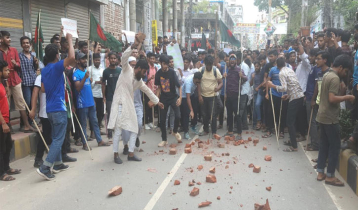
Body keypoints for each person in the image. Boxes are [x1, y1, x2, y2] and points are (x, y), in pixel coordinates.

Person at [108, 33, 161, 163]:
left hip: (129, 105)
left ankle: (131, 154)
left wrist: (157, 102)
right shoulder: (126, 69)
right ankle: (115, 154)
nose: (144, 75)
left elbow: (148, 91)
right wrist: (134, 45)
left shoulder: (139, 81)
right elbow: (125, 57)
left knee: (134, 128)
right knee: (119, 130)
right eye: (143, 72)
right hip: (120, 103)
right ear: (137, 68)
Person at [36, 33, 76, 180]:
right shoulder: (57, 67)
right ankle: (45, 167)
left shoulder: (44, 70)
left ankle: (58, 163)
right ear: (57, 55)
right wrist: (70, 40)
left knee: (55, 136)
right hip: (59, 108)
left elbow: (43, 89)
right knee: (59, 138)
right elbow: (71, 58)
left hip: (49, 108)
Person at [316, 55, 355, 186]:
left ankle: (320, 172)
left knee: (324, 144)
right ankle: (330, 176)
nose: (345, 74)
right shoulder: (334, 78)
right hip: (330, 118)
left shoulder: (327, 75)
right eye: (345, 71)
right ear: (341, 67)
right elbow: (332, 99)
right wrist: (347, 96)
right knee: (335, 146)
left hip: (322, 115)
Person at [73, 52, 110, 151]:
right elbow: (77, 88)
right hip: (82, 103)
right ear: (77, 61)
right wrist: (85, 77)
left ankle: (99, 140)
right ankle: (85, 143)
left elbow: (89, 87)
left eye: (85, 59)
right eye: (82, 59)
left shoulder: (86, 71)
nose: (85, 60)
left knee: (95, 122)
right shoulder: (76, 73)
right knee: (84, 124)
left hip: (90, 101)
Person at [267, 57, 305, 152]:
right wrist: (288, 96)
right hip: (299, 96)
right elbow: (293, 85)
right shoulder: (290, 69)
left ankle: (294, 146)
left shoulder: (281, 73)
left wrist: (273, 86)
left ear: (276, 65)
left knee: (289, 122)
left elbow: (283, 88)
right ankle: (293, 141)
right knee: (292, 120)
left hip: (295, 98)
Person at [0, 31, 34, 133]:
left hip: (15, 80)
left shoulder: (14, 50)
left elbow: (19, 64)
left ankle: (26, 125)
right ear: (1, 40)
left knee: (21, 102)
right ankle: (8, 126)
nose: (10, 39)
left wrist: (16, 64)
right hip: (4, 81)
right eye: (7, 37)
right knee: (6, 104)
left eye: (10, 37)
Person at [0, 60, 21, 181]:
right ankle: (2, 173)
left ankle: (6, 167)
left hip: (5, 119)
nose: (8, 72)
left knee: (8, 145)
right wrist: (3, 123)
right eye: (6, 70)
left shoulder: (2, 83)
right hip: (1, 122)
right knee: (1, 147)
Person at [156, 55, 182, 147]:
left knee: (178, 116)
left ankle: (175, 131)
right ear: (160, 63)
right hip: (163, 99)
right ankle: (164, 140)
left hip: (173, 97)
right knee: (162, 120)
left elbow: (179, 86)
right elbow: (159, 88)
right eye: (163, 64)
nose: (165, 66)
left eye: (166, 64)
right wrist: (157, 100)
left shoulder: (172, 73)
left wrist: (180, 98)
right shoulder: (158, 73)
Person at [198, 55, 223, 137]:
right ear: (205, 63)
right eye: (207, 65)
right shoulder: (201, 70)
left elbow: (221, 82)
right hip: (203, 96)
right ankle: (206, 130)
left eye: (210, 65)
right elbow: (198, 83)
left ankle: (214, 131)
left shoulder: (216, 71)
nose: (208, 67)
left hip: (213, 96)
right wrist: (199, 96)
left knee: (213, 114)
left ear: (212, 64)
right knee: (204, 114)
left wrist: (218, 88)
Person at [224, 54, 246, 138]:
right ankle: (230, 131)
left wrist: (242, 76)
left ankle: (239, 133)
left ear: (236, 61)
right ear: (229, 61)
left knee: (237, 115)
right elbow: (226, 83)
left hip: (236, 95)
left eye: (233, 59)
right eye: (231, 59)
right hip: (228, 95)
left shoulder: (239, 70)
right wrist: (224, 76)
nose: (232, 61)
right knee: (229, 114)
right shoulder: (227, 70)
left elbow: (246, 79)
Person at [102, 52, 122, 139]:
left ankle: (119, 132)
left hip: (119, 96)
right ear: (108, 59)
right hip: (110, 96)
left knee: (119, 115)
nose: (113, 60)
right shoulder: (106, 71)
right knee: (110, 114)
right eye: (111, 58)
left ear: (117, 59)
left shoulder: (120, 70)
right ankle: (110, 133)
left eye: (114, 58)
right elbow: (103, 84)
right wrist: (103, 96)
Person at [304, 48, 321, 151]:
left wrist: (313, 99)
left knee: (312, 121)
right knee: (310, 120)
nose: (309, 58)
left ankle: (315, 144)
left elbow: (316, 85)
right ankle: (313, 142)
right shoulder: (313, 68)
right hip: (309, 96)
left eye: (311, 56)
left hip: (312, 98)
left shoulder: (317, 70)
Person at [181, 72, 202, 139]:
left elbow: (198, 86)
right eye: (197, 82)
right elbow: (188, 98)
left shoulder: (197, 78)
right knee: (187, 114)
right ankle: (186, 132)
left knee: (195, 109)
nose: (198, 83)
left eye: (199, 82)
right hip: (184, 97)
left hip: (192, 94)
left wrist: (199, 96)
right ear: (194, 79)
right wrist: (191, 110)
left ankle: (193, 126)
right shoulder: (188, 83)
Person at [88, 53, 104, 136]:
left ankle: (98, 129)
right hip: (93, 94)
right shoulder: (89, 69)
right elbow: (88, 82)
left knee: (100, 113)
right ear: (93, 60)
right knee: (92, 114)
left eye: (99, 60)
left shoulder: (102, 69)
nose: (97, 61)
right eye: (96, 60)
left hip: (101, 94)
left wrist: (103, 81)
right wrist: (96, 82)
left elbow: (105, 81)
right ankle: (92, 132)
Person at [143, 52, 157, 130]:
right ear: (148, 59)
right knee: (147, 107)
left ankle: (151, 122)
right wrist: (149, 79)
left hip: (154, 90)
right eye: (151, 58)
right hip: (147, 90)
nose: (152, 60)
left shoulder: (155, 68)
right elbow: (144, 80)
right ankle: (146, 122)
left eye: (153, 59)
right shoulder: (146, 68)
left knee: (152, 106)